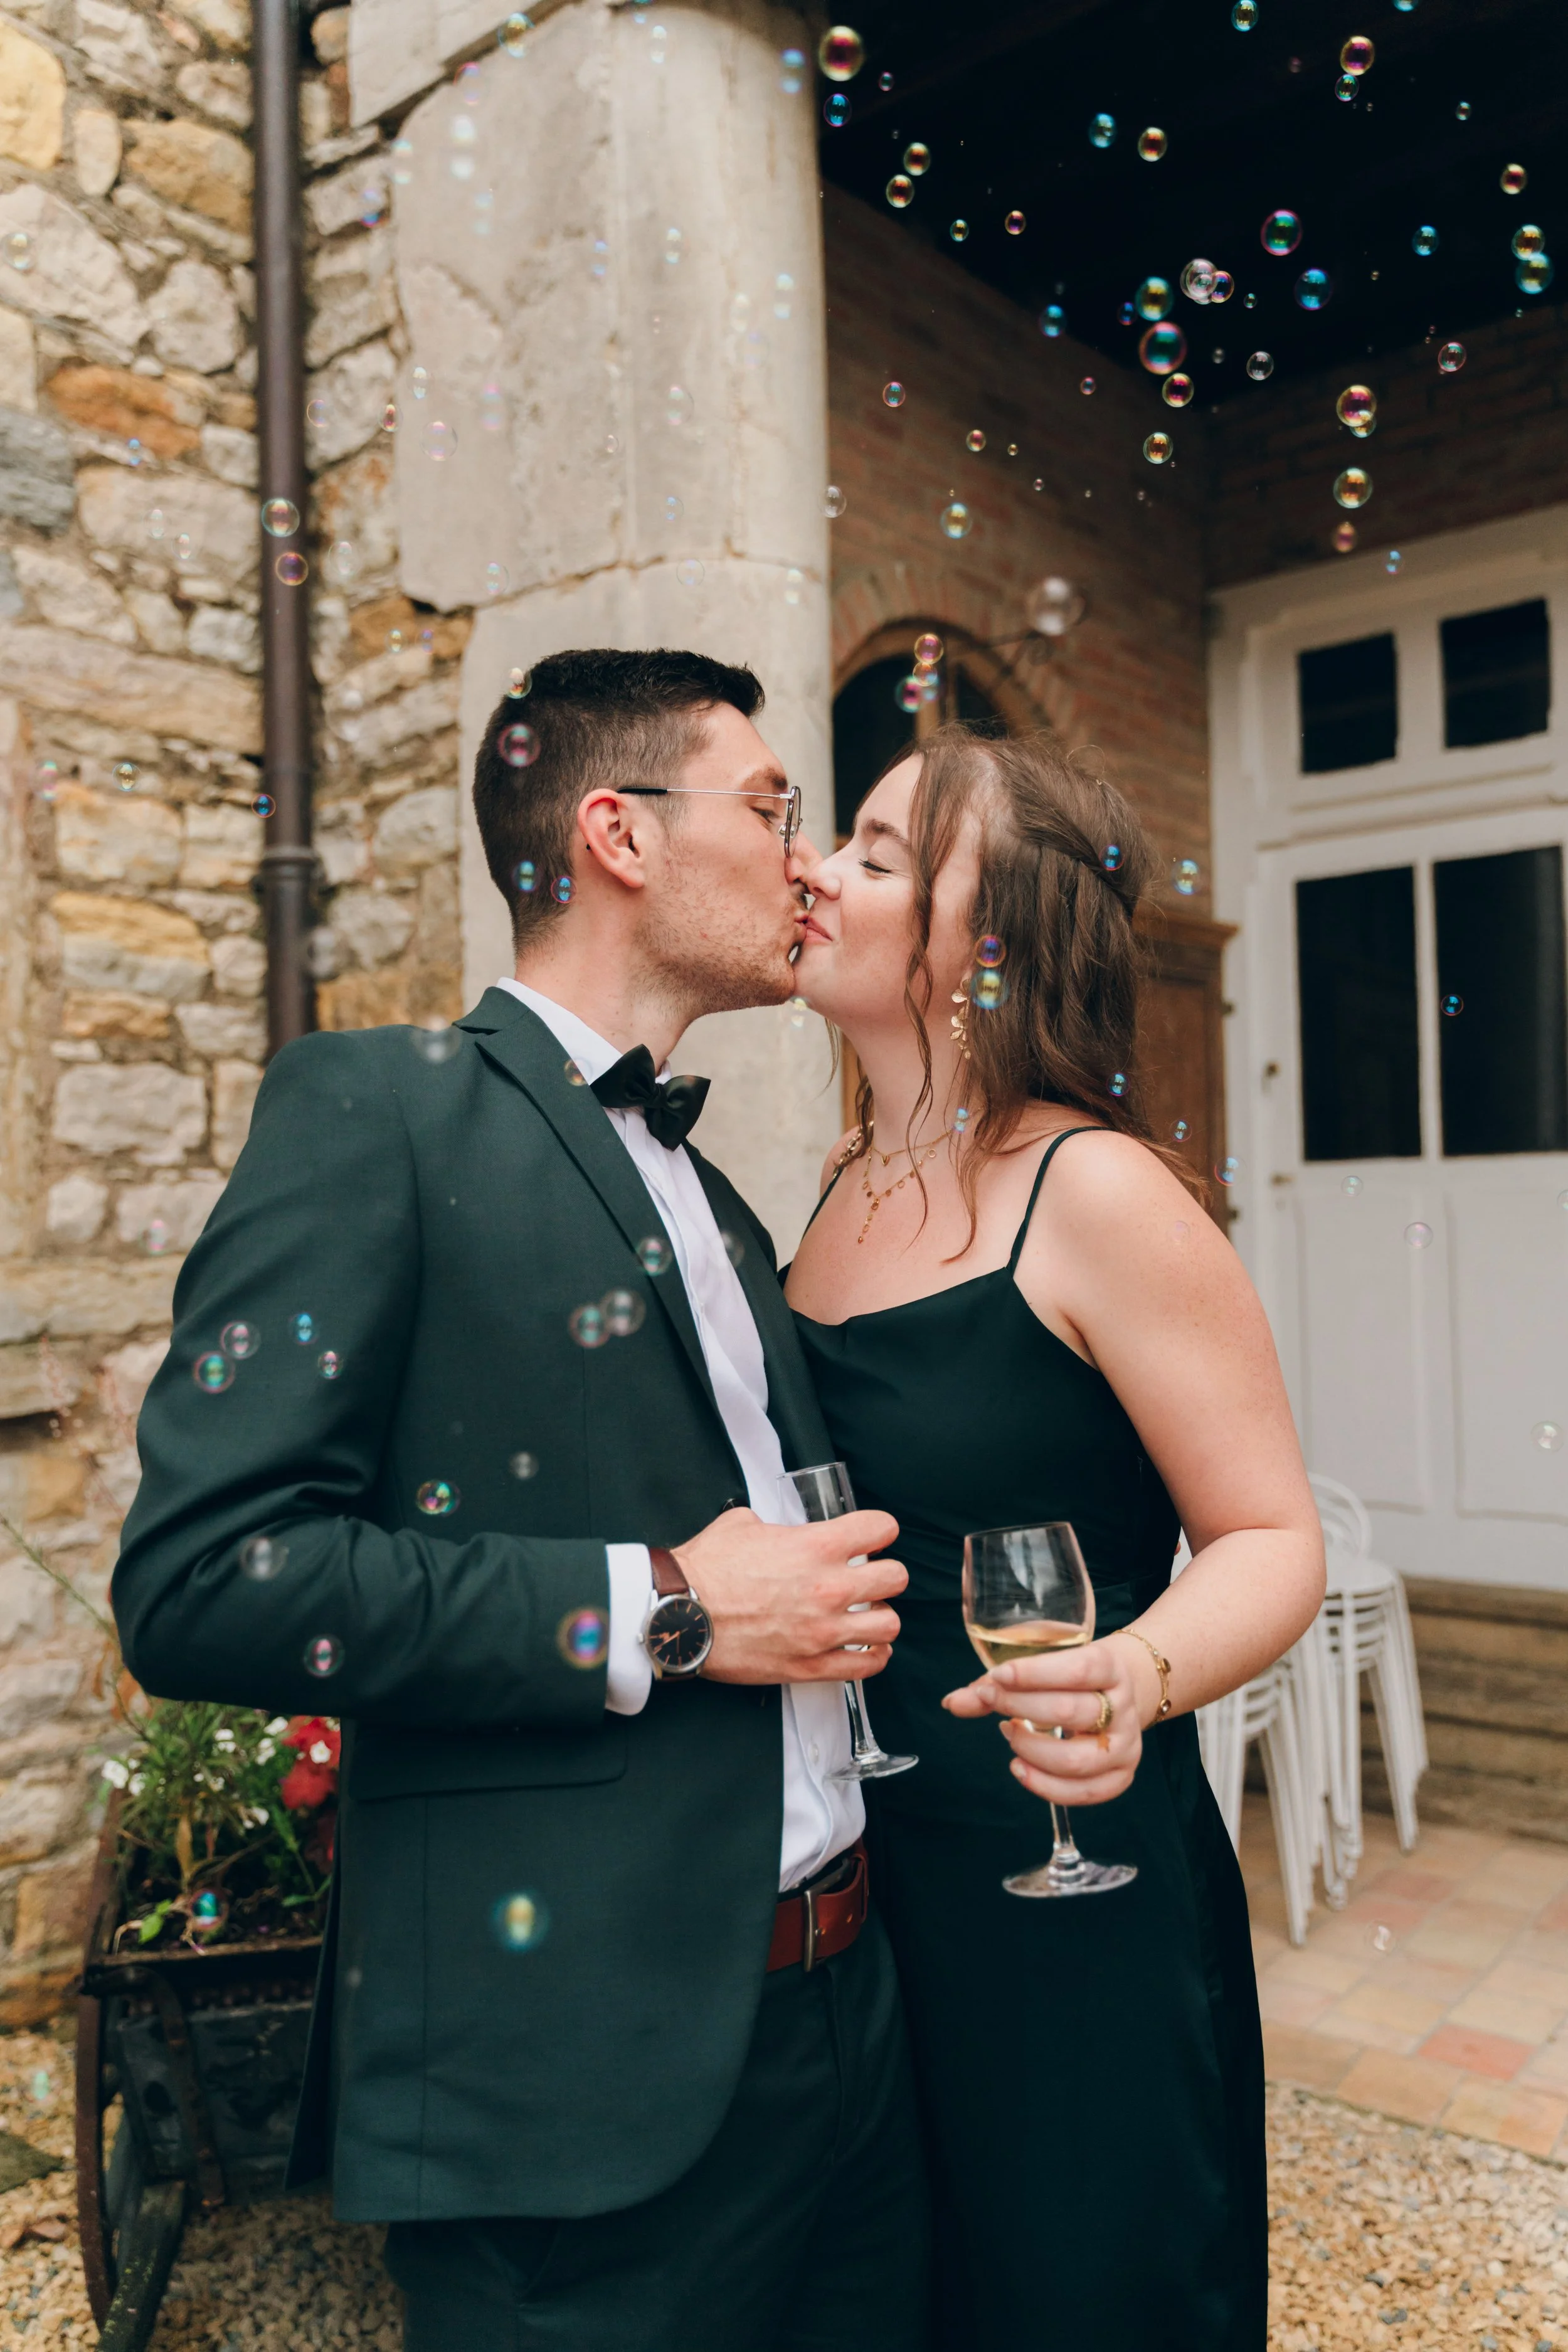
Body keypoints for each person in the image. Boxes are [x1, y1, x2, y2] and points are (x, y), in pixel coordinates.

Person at [113, 649, 929, 2352]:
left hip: (848, 2034)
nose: (805, 860)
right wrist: (674, 1609)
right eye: (773, 808)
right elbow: (207, 1574)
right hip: (580, 2086)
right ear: (617, 833)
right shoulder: (374, 1111)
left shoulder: (711, 1194)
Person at [785, 723, 1325, 2352]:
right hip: (881, 1893)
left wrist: (1137, 1673)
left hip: (1064, 1875)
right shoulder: (832, 1185)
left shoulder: (1095, 1194)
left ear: (988, 941)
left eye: (880, 854)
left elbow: (1269, 1532)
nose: (818, 870)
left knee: (1080, 2293)